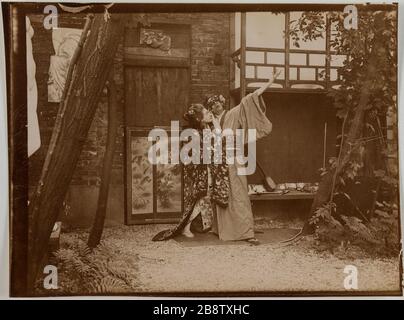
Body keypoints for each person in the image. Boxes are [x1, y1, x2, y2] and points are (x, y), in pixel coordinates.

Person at [204, 70, 280, 245]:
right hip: (218, 162)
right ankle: (223, 229)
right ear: (210, 108)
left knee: (239, 194)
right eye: (213, 105)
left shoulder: (232, 114)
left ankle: (244, 231)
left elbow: (250, 99)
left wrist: (269, 81)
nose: (216, 106)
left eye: (218, 103)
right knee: (222, 194)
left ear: (223, 104)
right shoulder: (209, 122)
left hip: (234, 158)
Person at [152, 104, 230, 241]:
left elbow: (219, 135)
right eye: (206, 113)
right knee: (197, 198)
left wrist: (212, 121)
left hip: (206, 170)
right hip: (198, 171)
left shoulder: (206, 128)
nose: (210, 114)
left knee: (203, 197)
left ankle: (198, 225)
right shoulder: (194, 133)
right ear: (199, 118)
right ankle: (186, 228)